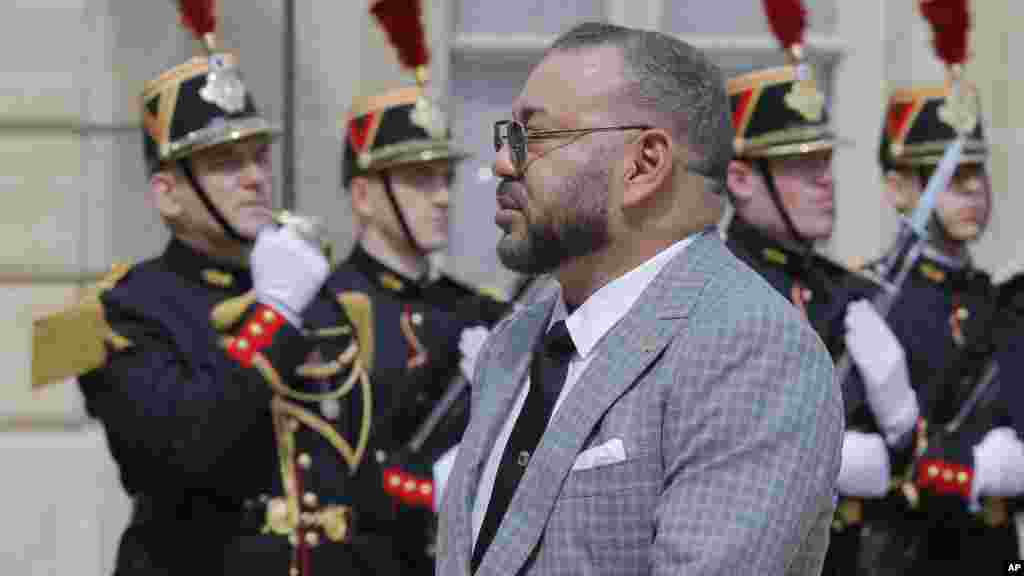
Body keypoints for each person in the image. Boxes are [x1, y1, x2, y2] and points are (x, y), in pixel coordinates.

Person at [436, 22, 843, 576]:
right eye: (508, 135)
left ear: (644, 164)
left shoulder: (750, 350)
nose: (505, 162)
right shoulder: (515, 342)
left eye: (536, 135)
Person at [29, 17, 401, 575]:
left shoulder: (315, 293)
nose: (255, 178)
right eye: (227, 163)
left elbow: (361, 469)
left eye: (260, 157)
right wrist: (272, 315)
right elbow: (182, 452)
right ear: (167, 194)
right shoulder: (116, 312)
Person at [722, 62, 919, 575]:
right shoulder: (712, 292)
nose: (825, 179)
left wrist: (903, 428)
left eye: (825, 160)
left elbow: (915, 466)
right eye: (801, 165)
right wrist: (828, 461)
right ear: (740, 178)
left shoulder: (850, 293)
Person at [327, 77, 509, 573]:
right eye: (418, 180)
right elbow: (330, 465)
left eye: (444, 178)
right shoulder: (329, 310)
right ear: (363, 195)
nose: (442, 196)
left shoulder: (476, 310)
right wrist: (426, 488)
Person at [870, 81, 1022, 570]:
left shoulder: (1002, 301)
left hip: (995, 553)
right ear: (898, 189)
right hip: (905, 552)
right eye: (951, 173)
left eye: (977, 171)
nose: (973, 188)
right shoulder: (870, 302)